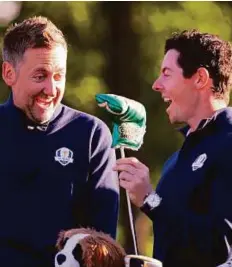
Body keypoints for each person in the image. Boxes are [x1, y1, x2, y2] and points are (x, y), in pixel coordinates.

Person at [0, 16, 119, 267]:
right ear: (9, 73)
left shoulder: (91, 135)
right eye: (40, 76)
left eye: (58, 76)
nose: (51, 89)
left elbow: (103, 243)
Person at [114, 30, 232, 267]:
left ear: (200, 78)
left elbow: (222, 248)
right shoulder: (175, 161)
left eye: (167, 74)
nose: (157, 85)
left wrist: (150, 199)